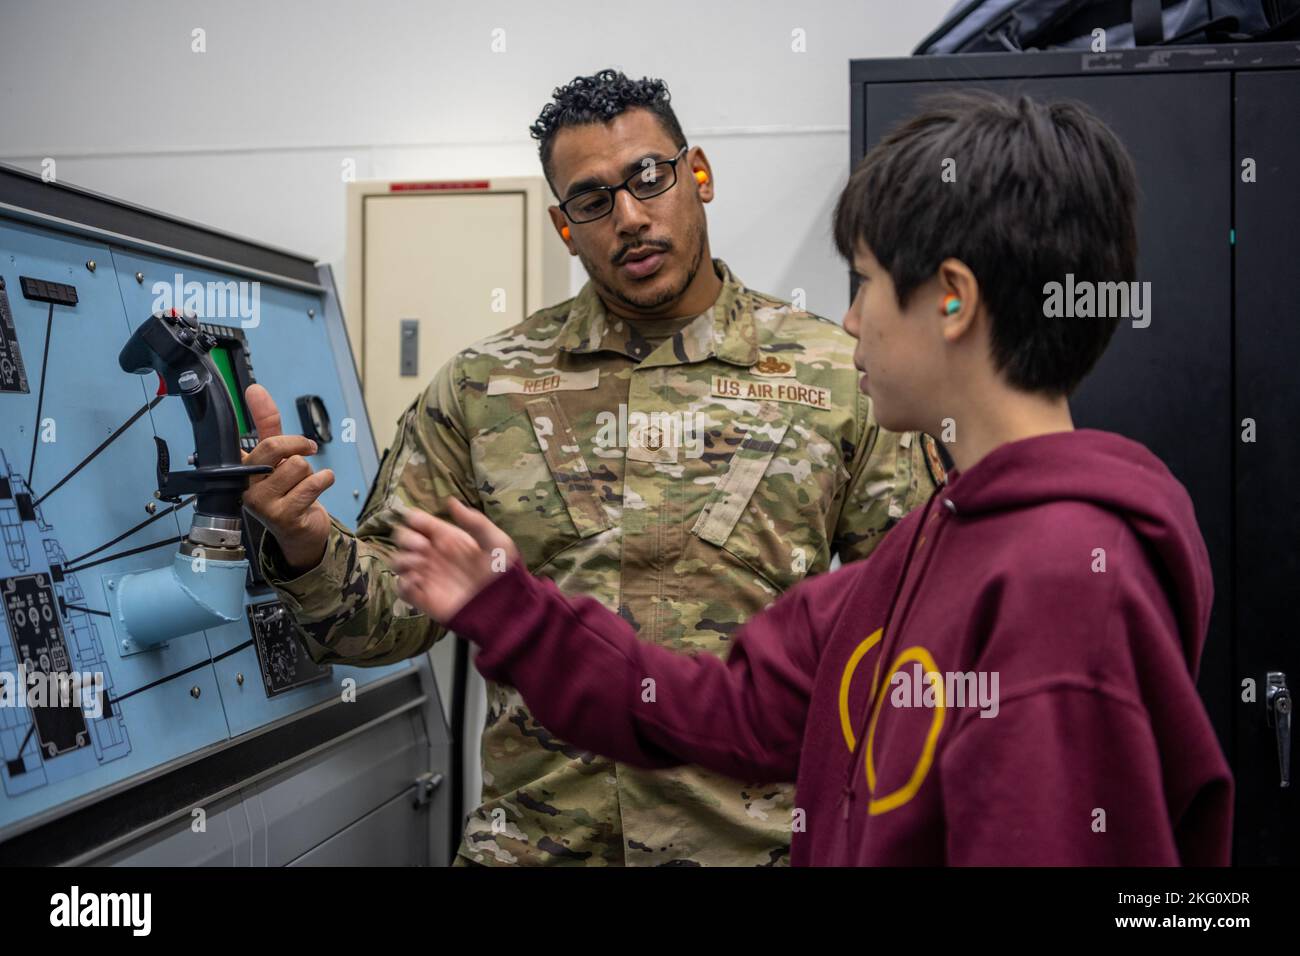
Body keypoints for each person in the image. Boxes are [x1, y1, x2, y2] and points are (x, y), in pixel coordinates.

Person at [390, 90, 1234, 865]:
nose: (849, 319)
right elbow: (724, 710)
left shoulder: (1064, 576)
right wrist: (510, 607)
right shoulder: (926, 550)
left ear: (952, 301)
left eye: (865, 283)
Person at [239, 68, 939, 867]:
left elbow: (912, 627)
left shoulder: (837, 376)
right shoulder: (483, 388)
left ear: (697, 174)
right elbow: (388, 624)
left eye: (650, 177)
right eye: (593, 199)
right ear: (564, 225)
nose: (631, 218)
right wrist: (302, 541)